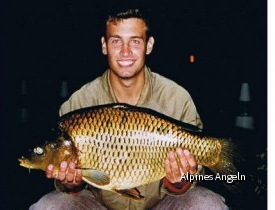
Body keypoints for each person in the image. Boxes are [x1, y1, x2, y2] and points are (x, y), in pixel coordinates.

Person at [30, 7, 229, 210]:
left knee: (207, 204)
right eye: (116, 41)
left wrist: (178, 181)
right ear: (104, 45)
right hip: (98, 205)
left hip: (162, 204)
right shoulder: (78, 103)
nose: (125, 51)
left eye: (135, 41)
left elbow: (189, 180)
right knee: (48, 206)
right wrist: (70, 183)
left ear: (148, 45)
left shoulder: (177, 98)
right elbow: (71, 189)